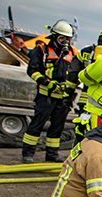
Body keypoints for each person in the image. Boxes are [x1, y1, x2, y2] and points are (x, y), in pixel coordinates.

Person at [21, 20, 77, 164]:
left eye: (68, 39)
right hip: (45, 96)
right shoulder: (42, 50)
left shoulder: (72, 53)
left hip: (62, 98)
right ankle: (28, 154)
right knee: (37, 125)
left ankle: (52, 154)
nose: (65, 42)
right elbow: (32, 70)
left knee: (57, 128)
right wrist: (46, 82)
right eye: (62, 38)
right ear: (54, 36)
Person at [68, 26, 102, 122]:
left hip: (85, 100)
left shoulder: (86, 52)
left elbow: (72, 74)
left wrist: (68, 93)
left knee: (82, 128)